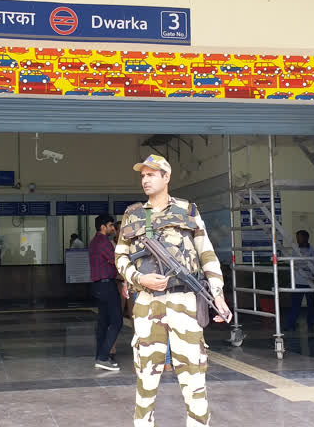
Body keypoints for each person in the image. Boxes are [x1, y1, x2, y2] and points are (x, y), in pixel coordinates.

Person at [115, 154, 231, 427]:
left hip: (184, 301)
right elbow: (120, 256)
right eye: (142, 175)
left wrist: (218, 294)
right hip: (146, 302)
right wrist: (139, 279)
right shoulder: (132, 214)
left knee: (193, 374)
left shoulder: (188, 210)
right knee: (146, 374)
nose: (145, 179)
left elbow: (207, 254)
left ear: (166, 177)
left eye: (151, 174)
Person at [89, 214, 123, 371]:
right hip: (107, 285)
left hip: (98, 286)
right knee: (117, 322)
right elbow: (116, 260)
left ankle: (99, 356)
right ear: (103, 227)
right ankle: (103, 357)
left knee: (103, 323)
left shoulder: (94, 241)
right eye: (110, 226)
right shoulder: (103, 242)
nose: (112, 228)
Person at [284, 230, 314, 331]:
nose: (298, 240)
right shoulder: (295, 251)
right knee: (295, 305)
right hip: (297, 282)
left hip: (310, 281)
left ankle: (311, 324)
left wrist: (303, 267)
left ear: (306, 238)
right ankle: (291, 324)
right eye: (297, 237)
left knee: (311, 305)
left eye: (299, 237)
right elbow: (293, 265)